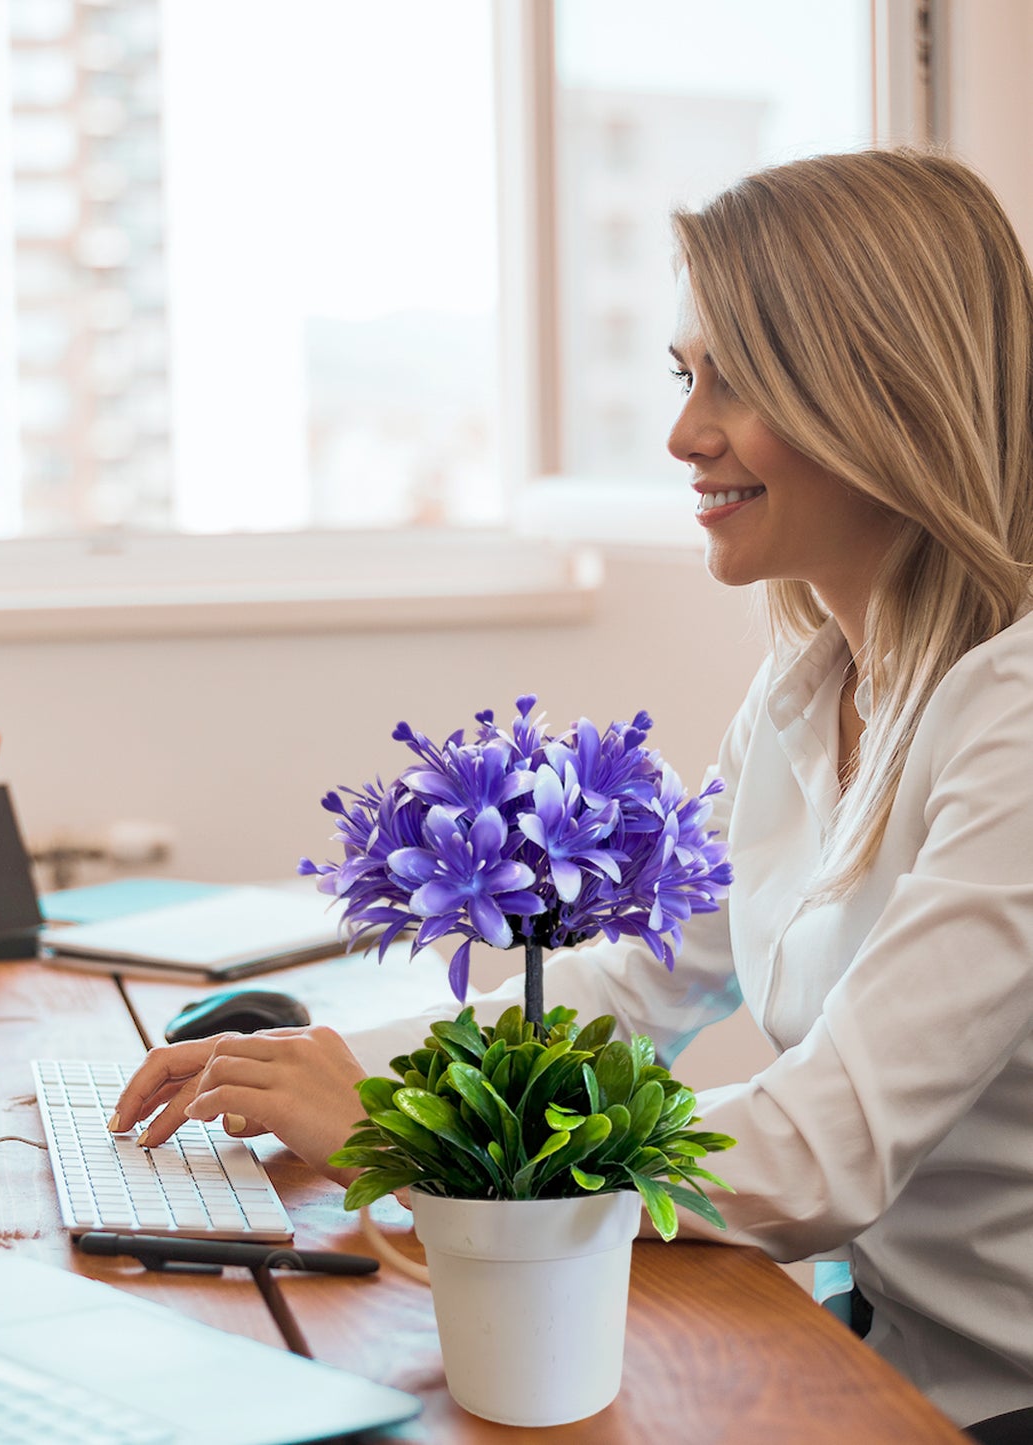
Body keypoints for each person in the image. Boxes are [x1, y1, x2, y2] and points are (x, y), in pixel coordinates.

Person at [111, 148, 1033, 1436]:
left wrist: (393, 1133)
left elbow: (823, 1150)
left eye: (738, 380)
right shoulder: (804, 686)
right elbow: (627, 993)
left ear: (882, 391)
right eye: (684, 374)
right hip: (866, 1337)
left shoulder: (1018, 718)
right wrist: (306, 1077)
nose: (682, 434)